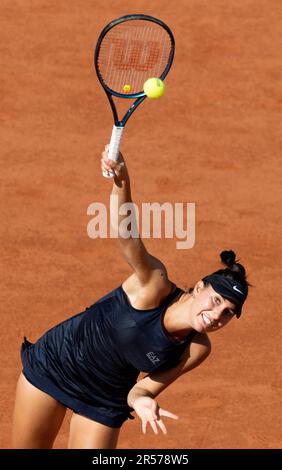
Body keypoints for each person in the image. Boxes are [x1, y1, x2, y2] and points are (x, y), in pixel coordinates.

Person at [12, 146, 250, 449]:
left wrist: (143, 402)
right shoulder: (154, 284)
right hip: (57, 364)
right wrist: (121, 181)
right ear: (200, 287)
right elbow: (127, 237)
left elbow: (141, 391)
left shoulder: (197, 348)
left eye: (228, 312)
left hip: (105, 398)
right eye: (216, 300)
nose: (218, 315)